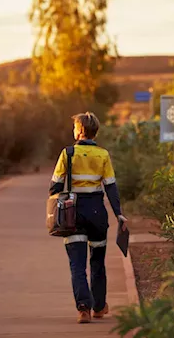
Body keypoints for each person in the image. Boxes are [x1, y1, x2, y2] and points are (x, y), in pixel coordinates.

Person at [49, 112, 128, 324]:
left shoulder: (68, 153)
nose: (73, 130)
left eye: (75, 127)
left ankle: (83, 308)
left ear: (80, 131)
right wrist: (118, 212)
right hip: (97, 212)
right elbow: (110, 186)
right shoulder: (103, 155)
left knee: (77, 264)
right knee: (97, 261)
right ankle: (99, 307)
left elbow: (54, 186)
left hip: (73, 213)